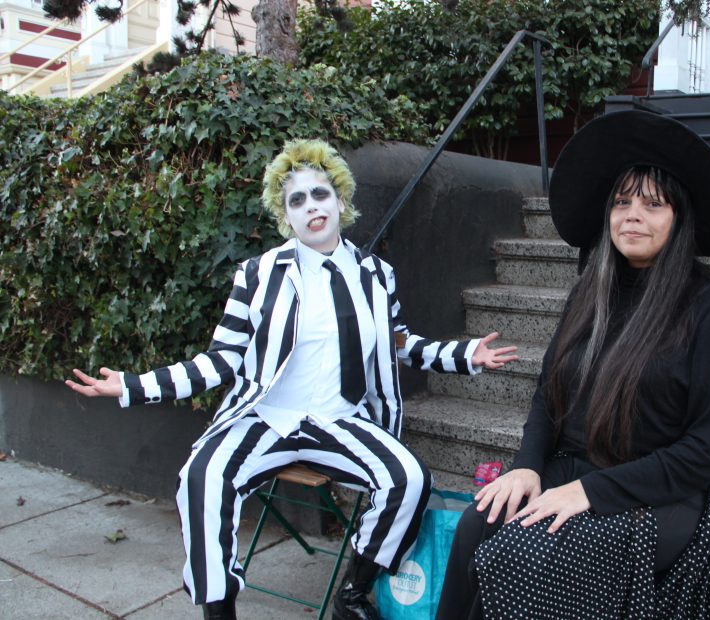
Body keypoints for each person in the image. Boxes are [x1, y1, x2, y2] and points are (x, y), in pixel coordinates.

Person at [65, 139, 518, 620]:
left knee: (407, 480)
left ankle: (351, 593)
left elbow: (399, 343)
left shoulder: (376, 276)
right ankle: (219, 610)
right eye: (296, 201)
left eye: (319, 195)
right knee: (203, 478)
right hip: (265, 418)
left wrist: (466, 353)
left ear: (340, 200)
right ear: (286, 217)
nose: (311, 207)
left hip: (339, 419)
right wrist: (135, 385)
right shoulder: (258, 274)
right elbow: (221, 360)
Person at [436, 110, 710, 619]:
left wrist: (589, 493)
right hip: (579, 470)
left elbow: (706, 451)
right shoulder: (589, 293)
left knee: (529, 553)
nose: (632, 215)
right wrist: (528, 467)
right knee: (478, 524)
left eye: (652, 204)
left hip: (671, 493)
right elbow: (547, 396)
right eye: (622, 202)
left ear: (679, 217)